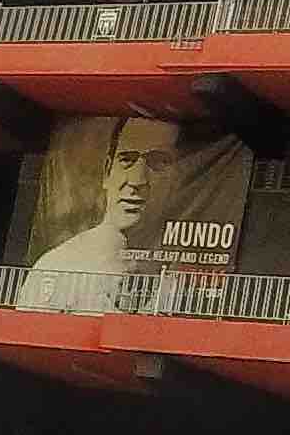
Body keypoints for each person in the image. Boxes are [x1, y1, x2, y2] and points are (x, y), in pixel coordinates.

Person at [24, 117, 178, 306]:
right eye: (126, 161)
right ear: (107, 171)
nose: (137, 181)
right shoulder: (57, 266)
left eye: (158, 163)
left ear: (177, 179)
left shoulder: (182, 280)